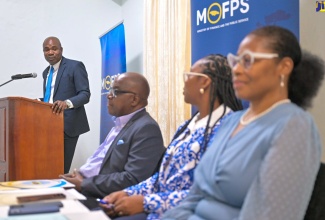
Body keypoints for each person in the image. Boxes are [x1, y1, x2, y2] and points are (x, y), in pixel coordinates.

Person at [162, 26, 325, 220]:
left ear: (284, 67)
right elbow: (194, 197)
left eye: (247, 60)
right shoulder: (231, 121)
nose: (236, 69)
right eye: (236, 61)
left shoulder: (294, 126)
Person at [100, 54, 243, 220]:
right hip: (161, 208)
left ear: (205, 82)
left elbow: (208, 193)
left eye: (189, 75)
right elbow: (163, 177)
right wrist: (127, 193)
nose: (185, 81)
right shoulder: (187, 125)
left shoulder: (226, 128)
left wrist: (146, 202)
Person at [60, 72, 166, 199]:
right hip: (83, 186)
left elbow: (133, 179)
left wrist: (84, 183)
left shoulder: (146, 128)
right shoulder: (120, 124)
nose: (109, 95)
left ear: (134, 99)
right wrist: (79, 176)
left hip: (104, 198)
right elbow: (101, 163)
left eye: (116, 92)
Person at [41, 36, 91, 173]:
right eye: (46, 50)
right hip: (48, 124)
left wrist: (67, 103)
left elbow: (85, 94)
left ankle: (60, 193)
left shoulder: (75, 66)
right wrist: (38, 102)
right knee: (48, 167)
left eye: (54, 49)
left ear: (61, 50)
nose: (50, 52)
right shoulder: (46, 73)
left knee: (60, 169)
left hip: (67, 125)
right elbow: (50, 98)